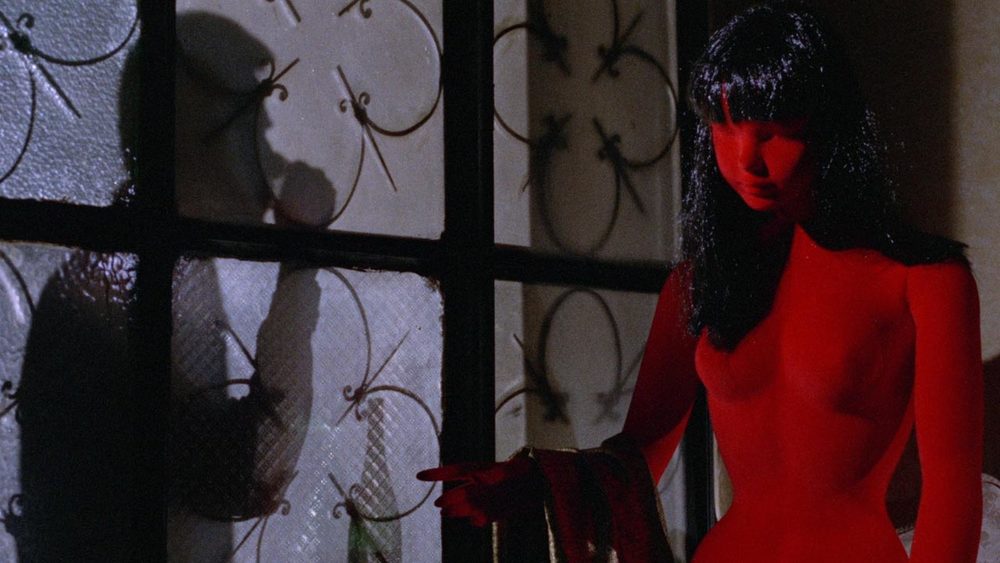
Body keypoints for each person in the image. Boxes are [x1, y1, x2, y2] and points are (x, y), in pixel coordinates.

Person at [418, 2, 984, 561]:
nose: (746, 159)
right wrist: (533, 483)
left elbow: (953, 491)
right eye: (725, 128)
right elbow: (636, 458)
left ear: (828, 129)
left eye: (773, 133)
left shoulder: (925, 280)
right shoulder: (698, 283)